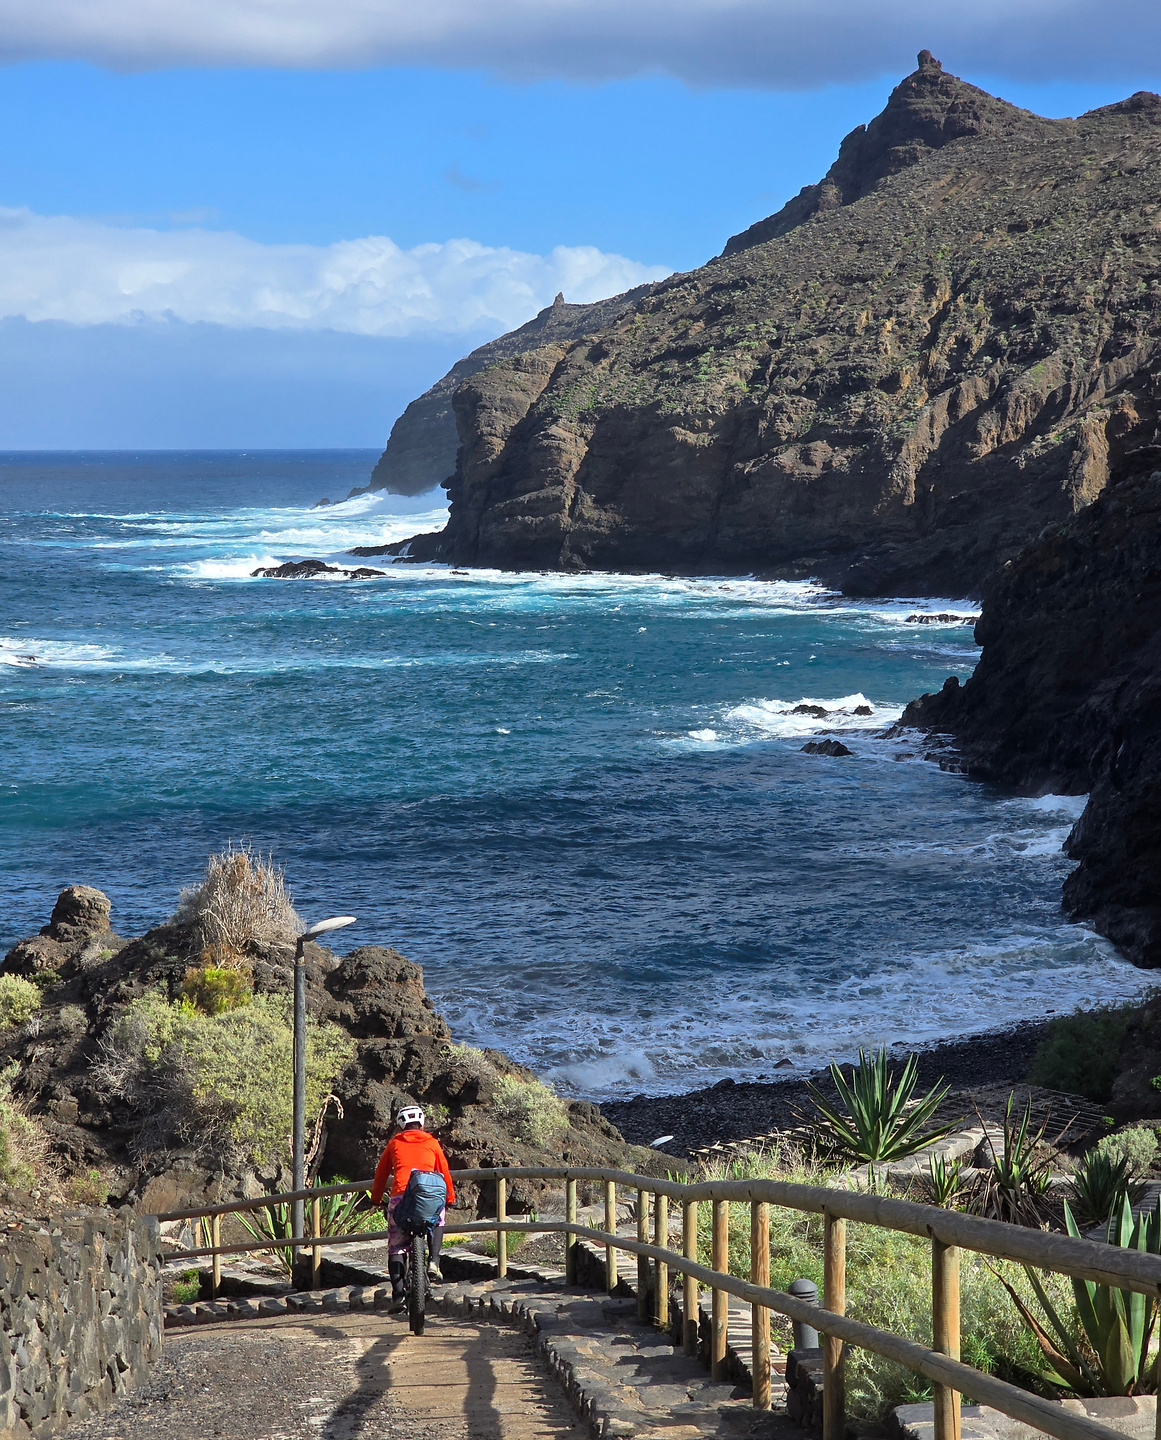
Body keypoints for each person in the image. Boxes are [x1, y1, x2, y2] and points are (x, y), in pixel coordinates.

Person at [369, 1102, 455, 1309]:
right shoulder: (433, 1143)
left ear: (400, 1125)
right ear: (422, 1123)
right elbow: (444, 1172)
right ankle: (434, 1261)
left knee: (397, 1247)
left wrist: (376, 1198)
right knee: (438, 1219)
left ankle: (398, 1295)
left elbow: (380, 1175)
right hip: (428, 1197)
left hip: (400, 1198)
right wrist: (449, 1198)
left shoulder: (394, 1144)